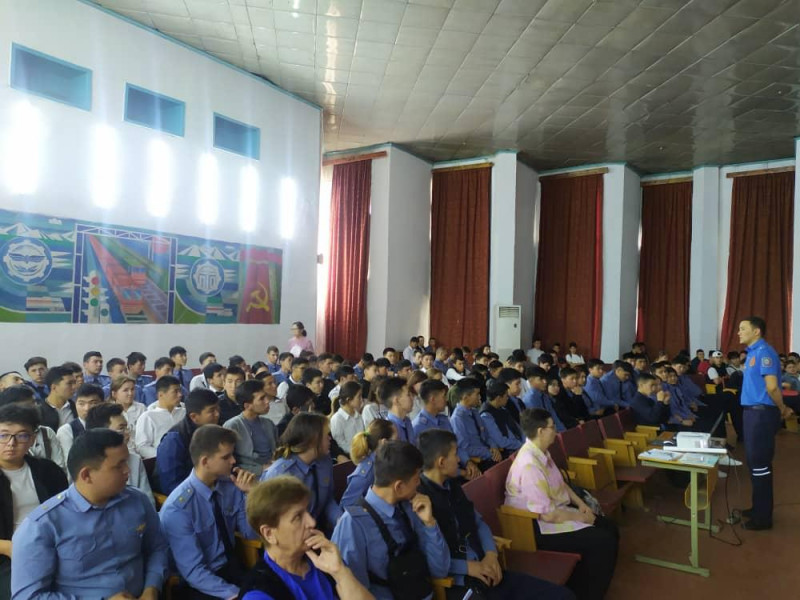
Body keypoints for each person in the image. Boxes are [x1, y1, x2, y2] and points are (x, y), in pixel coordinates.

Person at [417, 429, 575, 600]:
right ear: (441, 462)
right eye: (455, 454)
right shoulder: (420, 503)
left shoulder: (453, 486)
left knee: (563, 596)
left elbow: (478, 522)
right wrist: (469, 567)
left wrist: (491, 555)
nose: (459, 459)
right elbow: (432, 562)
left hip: (487, 568)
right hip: (462, 583)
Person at [11, 428, 168, 599]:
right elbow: (27, 596)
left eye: (126, 462)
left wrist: (152, 587)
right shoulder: (42, 526)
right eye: (119, 466)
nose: (127, 471)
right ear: (86, 475)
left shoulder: (137, 501)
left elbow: (157, 548)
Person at [505, 409, 619, 600]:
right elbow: (548, 515)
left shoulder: (542, 452)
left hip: (556, 511)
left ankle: (586, 582)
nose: (556, 431)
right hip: (535, 526)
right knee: (603, 541)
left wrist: (581, 504)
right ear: (541, 431)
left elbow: (561, 483)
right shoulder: (529, 465)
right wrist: (582, 517)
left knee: (610, 528)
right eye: (552, 427)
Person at [331, 440, 450, 600]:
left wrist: (430, 523)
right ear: (399, 486)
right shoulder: (353, 525)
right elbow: (352, 593)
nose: (419, 483)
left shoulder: (410, 506)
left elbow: (440, 570)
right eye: (416, 478)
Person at [160, 425, 258, 599]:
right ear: (205, 462)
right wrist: (235, 595)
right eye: (226, 457)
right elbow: (193, 571)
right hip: (200, 583)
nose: (233, 461)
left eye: (232, 454)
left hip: (232, 567)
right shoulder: (178, 508)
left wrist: (251, 495)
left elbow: (250, 533)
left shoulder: (230, 486)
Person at [237, 476, 373, 600]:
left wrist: (340, 572)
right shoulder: (259, 593)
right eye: (297, 517)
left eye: (307, 511)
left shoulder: (322, 558)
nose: (312, 522)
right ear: (269, 534)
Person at [0, 404, 68, 597]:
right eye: (3, 435)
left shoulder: (48, 471)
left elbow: (66, 513)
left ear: (32, 439)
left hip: (53, 547)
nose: (11, 443)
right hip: (6, 557)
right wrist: (8, 547)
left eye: (21, 436)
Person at [737, 317, 795, 530]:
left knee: (760, 465)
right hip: (752, 413)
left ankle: (763, 518)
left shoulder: (765, 353)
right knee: (754, 463)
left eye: (743, 328)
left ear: (757, 331)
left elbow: (772, 387)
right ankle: (758, 508)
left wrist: (782, 408)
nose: (739, 332)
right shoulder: (752, 353)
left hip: (761, 414)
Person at [260, 413, 342, 534]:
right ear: (313, 440)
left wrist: (340, 521)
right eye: (326, 435)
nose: (330, 438)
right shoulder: (280, 473)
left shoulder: (324, 461)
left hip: (318, 530)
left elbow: (328, 500)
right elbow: (275, 521)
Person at [85, 403, 155, 505]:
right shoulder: (86, 463)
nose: (127, 434)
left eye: (127, 428)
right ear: (101, 432)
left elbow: (148, 500)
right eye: (121, 428)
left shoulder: (135, 460)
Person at [156, 388, 220, 494]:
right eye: (212, 411)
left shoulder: (215, 430)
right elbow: (172, 485)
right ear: (194, 417)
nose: (217, 414)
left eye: (218, 409)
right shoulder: (174, 440)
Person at [0, 385, 66, 471]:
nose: (36, 407)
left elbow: (59, 466)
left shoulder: (46, 432)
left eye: (35, 402)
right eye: (29, 405)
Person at [224, 379, 279, 475]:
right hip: (249, 476)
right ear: (247, 406)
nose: (267, 401)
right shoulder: (233, 426)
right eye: (262, 399)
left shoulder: (268, 424)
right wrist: (261, 469)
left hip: (273, 470)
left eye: (266, 397)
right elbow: (229, 461)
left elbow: (276, 450)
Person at [340, 419, 396, 508]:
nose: (400, 443)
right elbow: (347, 506)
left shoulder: (387, 460)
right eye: (396, 440)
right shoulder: (365, 475)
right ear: (384, 442)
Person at [450, 378, 501, 472]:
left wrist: (493, 446)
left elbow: (486, 435)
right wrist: (489, 452)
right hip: (480, 461)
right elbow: (465, 448)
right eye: (477, 394)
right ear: (466, 397)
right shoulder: (458, 419)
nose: (480, 397)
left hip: (490, 454)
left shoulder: (474, 412)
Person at [135, 375, 186, 460]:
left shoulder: (183, 412)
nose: (180, 395)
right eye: (175, 392)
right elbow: (142, 447)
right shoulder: (148, 417)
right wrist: (163, 455)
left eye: (180, 391)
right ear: (161, 395)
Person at [56, 383, 103, 459]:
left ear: (103, 403)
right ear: (75, 404)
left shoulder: (110, 425)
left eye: (93, 403)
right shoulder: (67, 430)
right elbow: (70, 461)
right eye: (81, 404)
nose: (87, 408)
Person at [480, 379, 524, 455]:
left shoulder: (502, 409)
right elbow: (501, 441)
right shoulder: (486, 416)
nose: (508, 398)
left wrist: (525, 442)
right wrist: (521, 445)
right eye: (506, 396)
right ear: (498, 398)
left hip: (519, 444)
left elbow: (518, 429)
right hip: (510, 451)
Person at [329, 381, 364, 458]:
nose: (362, 400)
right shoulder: (337, 419)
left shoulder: (358, 416)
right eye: (359, 397)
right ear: (349, 400)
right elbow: (340, 444)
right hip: (349, 456)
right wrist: (358, 451)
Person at [40, 366, 77, 432]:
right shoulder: (39, 412)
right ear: (54, 387)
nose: (74, 387)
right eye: (69, 383)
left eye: (74, 382)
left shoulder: (76, 408)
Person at [380, 377, 416, 444]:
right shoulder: (388, 429)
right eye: (408, 395)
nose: (412, 397)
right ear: (396, 400)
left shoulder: (407, 421)